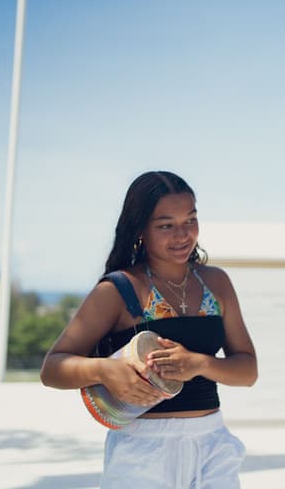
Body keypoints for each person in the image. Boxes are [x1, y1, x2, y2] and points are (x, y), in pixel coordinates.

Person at [41, 170, 257, 488]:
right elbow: (52, 368)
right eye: (166, 225)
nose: (182, 235)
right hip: (143, 451)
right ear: (140, 228)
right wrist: (104, 370)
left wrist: (198, 363)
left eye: (190, 220)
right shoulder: (118, 289)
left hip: (213, 443)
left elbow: (248, 371)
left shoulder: (216, 283)